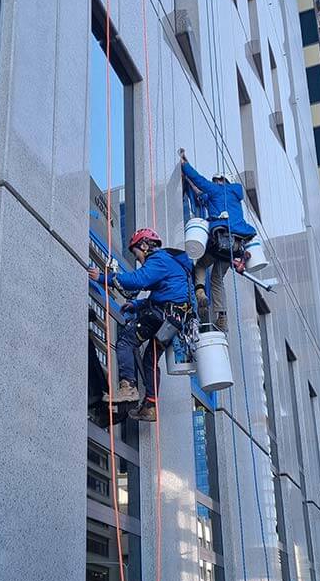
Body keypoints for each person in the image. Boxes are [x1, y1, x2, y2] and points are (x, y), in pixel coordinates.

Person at [88, 228, 194, 423]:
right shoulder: (174, 266)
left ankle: (127, 387)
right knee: (150, 360)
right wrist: (136, 304)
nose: (138, 260)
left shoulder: (159, 258)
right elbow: (165, 295)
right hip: (173, 321)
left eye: (137, 254)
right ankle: (150, 406)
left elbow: (138, 280)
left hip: (161, 316)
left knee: (126, 342)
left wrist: (103, 278)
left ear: (144, 245)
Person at [180, 152, 256, 331]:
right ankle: (221, 315)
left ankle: (199, 292)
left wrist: (185, 164)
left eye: (216, 180)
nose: (214, 183)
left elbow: (200, 182)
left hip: (218, 242)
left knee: (199, 266)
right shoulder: (234, 199)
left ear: (221, 181)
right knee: (217, 279)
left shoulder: (217, 189)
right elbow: (200, 195)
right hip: (234, 247)